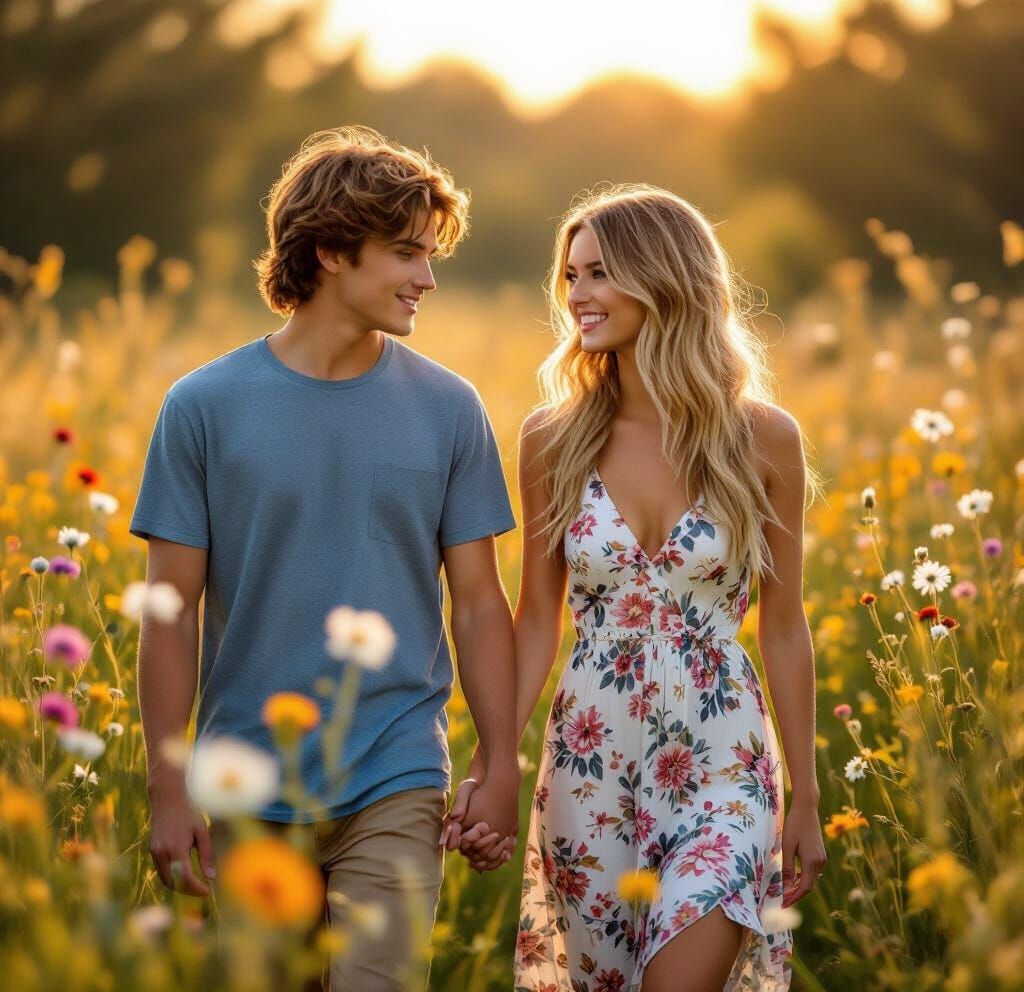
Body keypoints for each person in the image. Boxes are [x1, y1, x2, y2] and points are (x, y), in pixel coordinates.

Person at [130, 125, 521, 992]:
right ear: (334, 251)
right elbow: (171, 610)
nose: (427, 277)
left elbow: (480, 606)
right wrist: (169, 786)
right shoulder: (202, 407)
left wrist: (500, 761)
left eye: (430, 255)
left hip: (397, 768)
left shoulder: (451, 409)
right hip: (245, 781)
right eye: (406, 254)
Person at [444, 184, 826, 990]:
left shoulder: (763, 438)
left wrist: (805, 795)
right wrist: (496, 760)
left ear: (664, 277)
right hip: (594, 760)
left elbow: (785, 625)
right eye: (570, 276)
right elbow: (536, 620)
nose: (576, 294)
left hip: (726, 756)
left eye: (598, 274)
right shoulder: (554, 438)